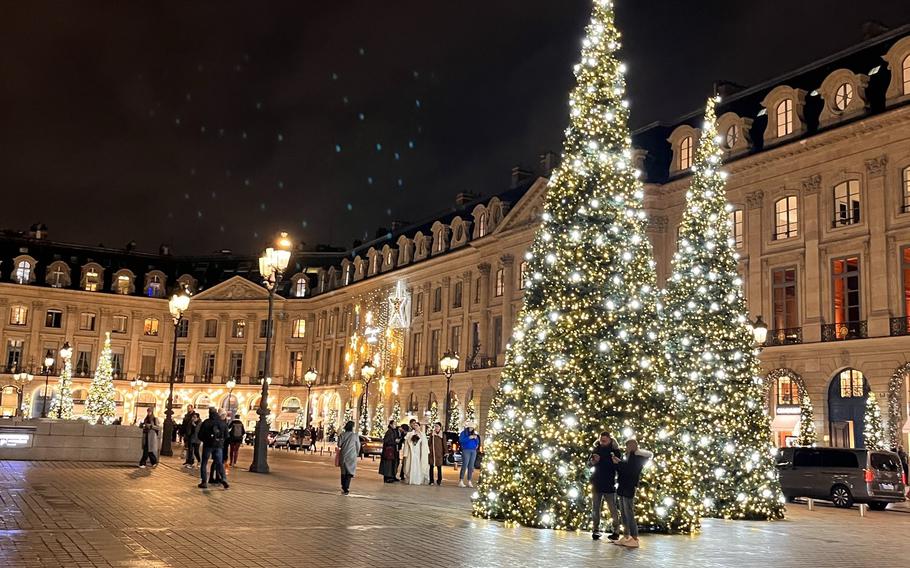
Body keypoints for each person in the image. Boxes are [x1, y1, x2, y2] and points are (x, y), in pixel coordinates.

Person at [612, 439, 653, 549]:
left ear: (633, 446)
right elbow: (623, 469)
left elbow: (630, 471)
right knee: (624, 513)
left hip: (629, 487)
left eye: (628, 446)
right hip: (622, 486)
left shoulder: (637, 458)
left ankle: (634, 538)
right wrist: (618, 463)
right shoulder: (628, 456)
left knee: (628, 512)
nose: (626, 448)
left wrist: (619, 463)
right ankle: (626, 536)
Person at [588, 431, 623, 541]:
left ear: (610, 440)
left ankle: (616, 531)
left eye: (604, 440)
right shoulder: (596, 449)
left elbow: (618, 466)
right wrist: (593, 462)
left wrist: (611, 462)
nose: (602, 442)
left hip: (609, 483)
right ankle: (595, 530)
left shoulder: (615, 451)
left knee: (612, 508)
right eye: (601, 440)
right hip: (597, 482)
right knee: (595, 508)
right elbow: (589, 463)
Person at [198, 407, 229, 489]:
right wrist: (220, 441)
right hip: (219, 446)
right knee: (219, 463)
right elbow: (227, 435)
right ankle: (224, 479)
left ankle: (204, 481)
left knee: (204, 463)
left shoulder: (206, 422)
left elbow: (200, 435)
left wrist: (205, 440)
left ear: (209, 413)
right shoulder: (222, 423)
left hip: (208, 445)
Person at [402, 419, 429, 485]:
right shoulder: (410, 434)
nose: (416, 427)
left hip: (418, 452)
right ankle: (411, 478)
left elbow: (425, 444)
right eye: (415, 425)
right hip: (412, 452)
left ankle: (418, 479)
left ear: (419, 427)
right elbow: (407, 442)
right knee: (411, 464)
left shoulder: (422, 434)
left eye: (417, 425)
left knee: (418, 464)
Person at [337, 420, 361, 495]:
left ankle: (343, 485)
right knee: (350, 471)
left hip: (343, 454)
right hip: (352, 455)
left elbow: (339, 444)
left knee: (343, 471)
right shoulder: (355, 435)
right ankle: (346, 486)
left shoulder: (342, 435)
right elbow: (358, 446)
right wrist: (357, 453)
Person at [458, 421, 480, 487]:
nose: (471, 429)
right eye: (470, 427)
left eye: (472, 427)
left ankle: (469, 480)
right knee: (465, 465)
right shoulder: (463, 433)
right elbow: (461, 441)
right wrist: (469, 438)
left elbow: (477, 441)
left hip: (473, 451)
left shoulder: (474, 433)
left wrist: (476, 442)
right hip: (466, 450)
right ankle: (461, 480)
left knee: (471, 466)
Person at [428, 422, 446, 486]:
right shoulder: (432, 434)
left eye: (437, 426)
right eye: (435, 426)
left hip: (439, 453)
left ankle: (439, 481)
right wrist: (428, 450)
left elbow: (444, 444)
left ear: (440, 427)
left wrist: (445, 452)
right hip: (432, 453)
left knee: (439, 467)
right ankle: (431, 480)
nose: (436, 428)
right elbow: (429, 443)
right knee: (431, 467)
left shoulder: (442, 435)